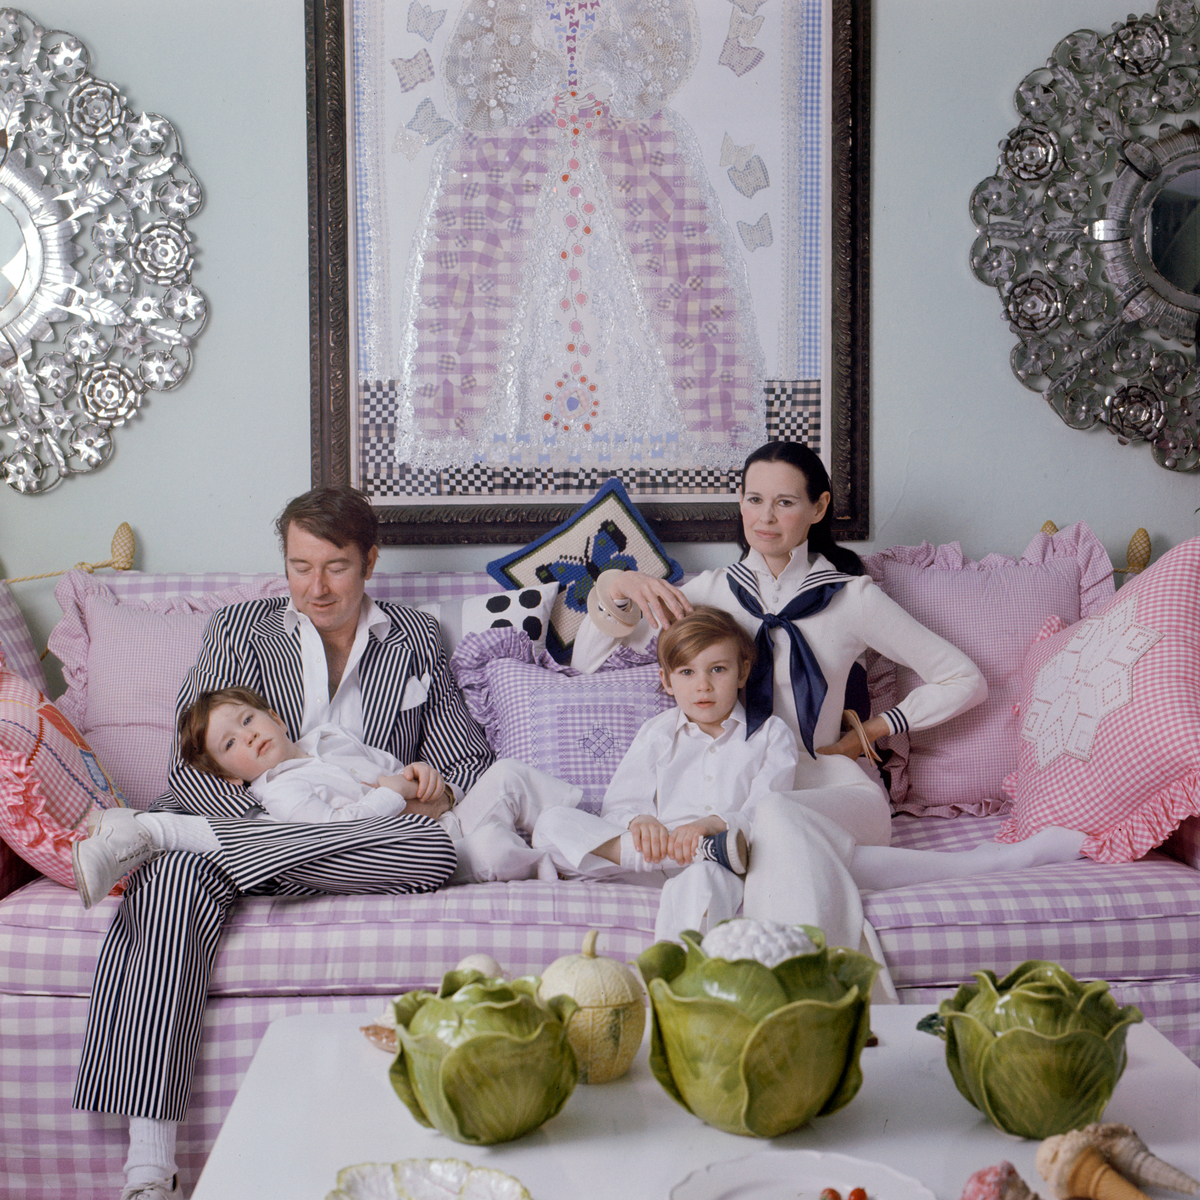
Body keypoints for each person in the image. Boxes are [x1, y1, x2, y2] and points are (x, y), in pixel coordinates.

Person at [71, 486, 496, 1200]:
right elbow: (193, 763)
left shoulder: (417, 638)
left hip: (365, 832)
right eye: (299, 566)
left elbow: (466, 764)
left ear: (370, 561)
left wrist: (436, 787)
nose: (315, 587)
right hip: (263, 828)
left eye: (334, 567)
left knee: (433, 851)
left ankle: (157, 837)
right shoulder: (240, 630)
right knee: (171, 882)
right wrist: (278, 833)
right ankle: (149, 1167)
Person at [572, 441, 1088, 949]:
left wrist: (873, 731)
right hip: (745, 789)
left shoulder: (851, 598)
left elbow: (964, 679)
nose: (766, 517)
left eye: (785, 502)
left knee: (771, 814)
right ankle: (982, 866)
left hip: (831, 786)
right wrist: (618, 583)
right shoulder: (710, 593)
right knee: (764, 818)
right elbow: (587, 660)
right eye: (754, 500)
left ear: (818, 508)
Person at [532, 606, 798, 941]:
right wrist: (639, 821)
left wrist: (713, 824)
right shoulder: (657, 732)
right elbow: (618, 806)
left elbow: (768, 810)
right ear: (666, 681)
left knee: (702, 882)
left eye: (717, 669)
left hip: (720, 861)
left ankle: (676, 973)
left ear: (743, 672)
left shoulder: (771, 734)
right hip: (648, 860)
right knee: (551, 823)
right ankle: (660, 855)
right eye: (687, 672)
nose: (703, 686)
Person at [175, 685, 559, 883]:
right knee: (494, 848)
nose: (246, 737)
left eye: (247, 721)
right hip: (431, 852)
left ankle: (595, 830)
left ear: (275, 717)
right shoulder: (279, 793)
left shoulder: (331, 735)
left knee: (509, 773)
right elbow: (338, 831)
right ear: (228, 775)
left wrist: (425, 778)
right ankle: (561, 856)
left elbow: (394, 770)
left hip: (452, 815)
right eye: (229, 744)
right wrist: (392, 793)